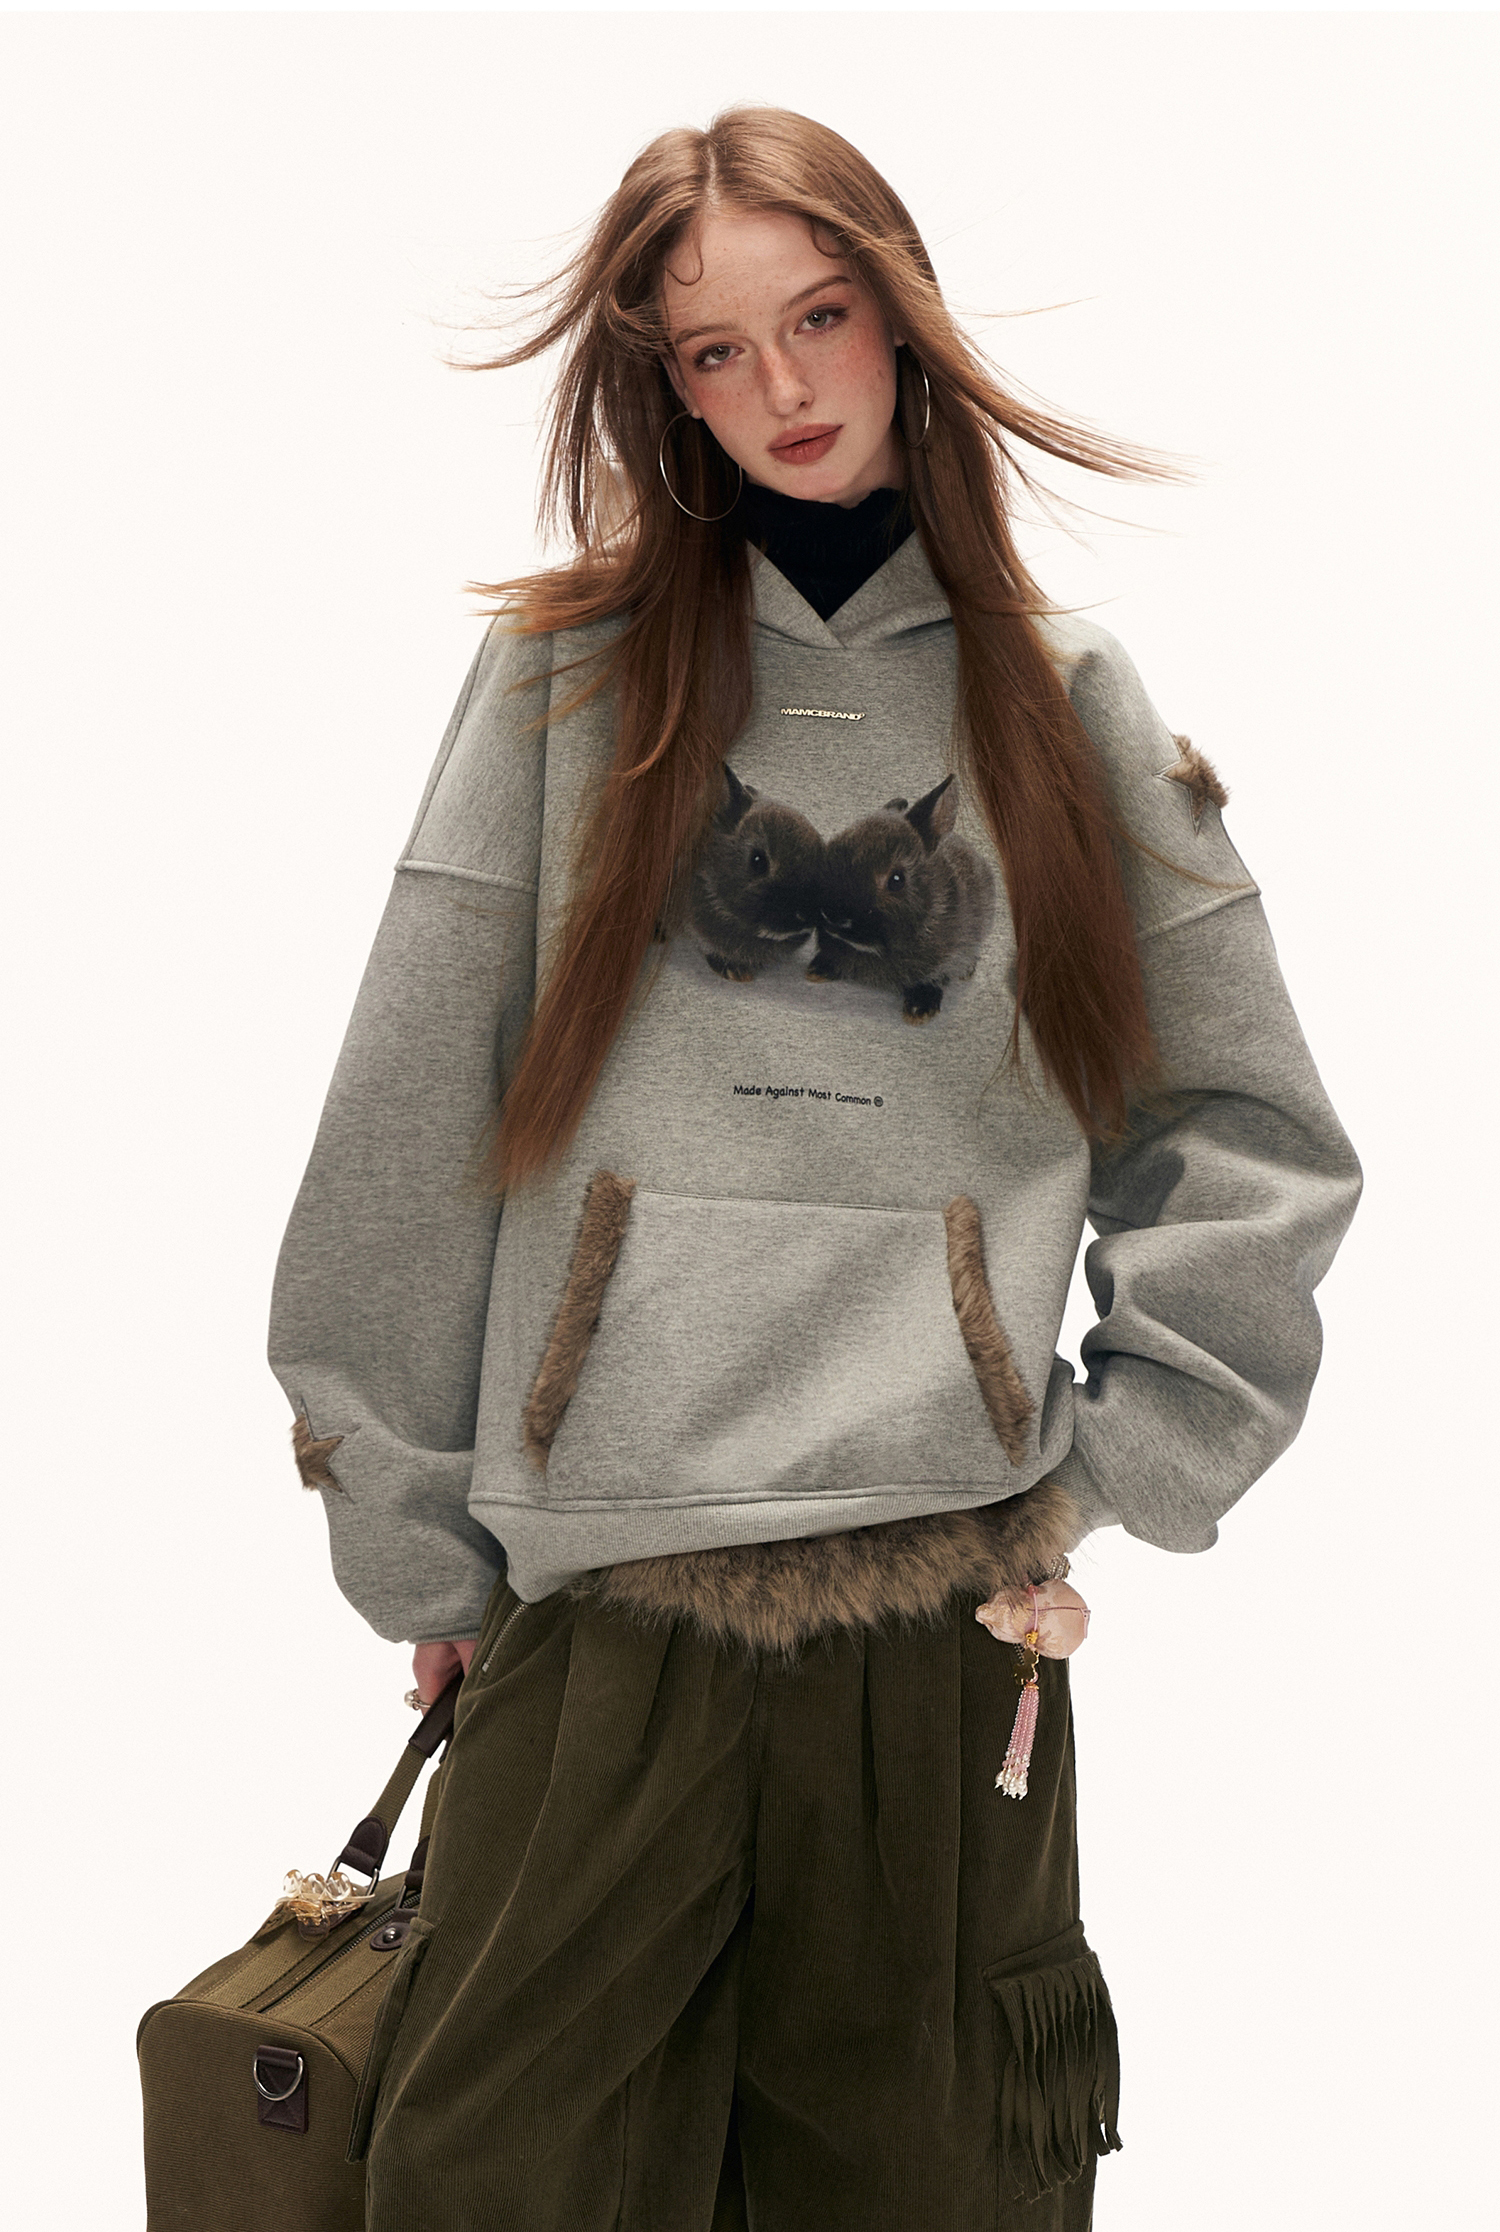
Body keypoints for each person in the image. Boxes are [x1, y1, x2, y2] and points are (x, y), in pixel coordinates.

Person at [268, 106, 1361, 2232]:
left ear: (901, 318)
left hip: (945, 1620)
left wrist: (1126, 1474)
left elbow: (1253, 1137)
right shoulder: (566, 680)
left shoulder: (1066, 703)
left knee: (930, 2194)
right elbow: (408, 1112)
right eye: (713, 349)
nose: (780, 385)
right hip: (599, 1605)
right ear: (661, 387)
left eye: (822, 317)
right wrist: (418, 1548)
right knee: (496, 2188)